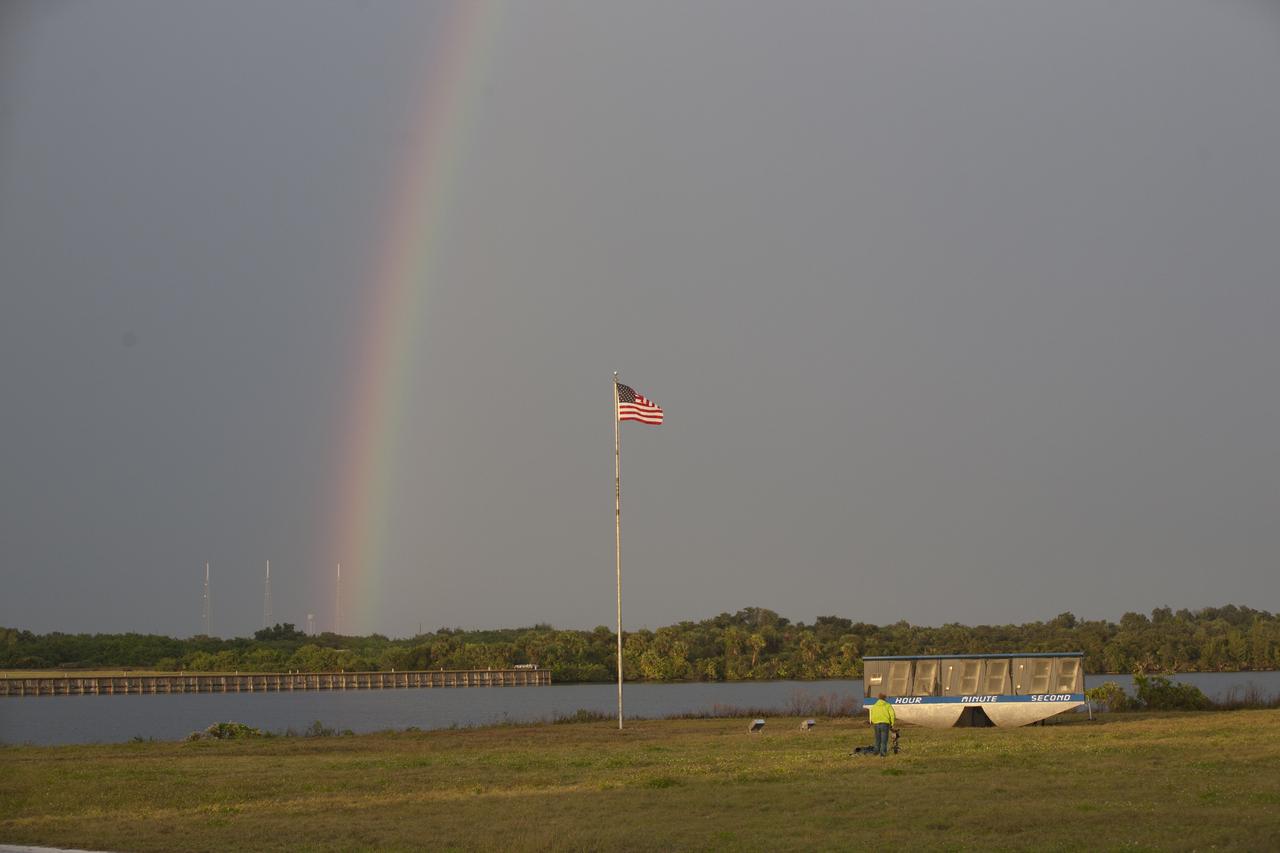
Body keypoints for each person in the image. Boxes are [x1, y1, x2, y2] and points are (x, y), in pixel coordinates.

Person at [868, 692, 896, 756]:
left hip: (876, 724)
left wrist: (874, 722)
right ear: (885, 698)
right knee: (884, 740)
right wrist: (892, 723)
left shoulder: (874, 706)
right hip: (885, 724)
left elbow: (872, 715)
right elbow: (892, 715)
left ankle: (876, 752)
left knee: (877, 739)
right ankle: (883, 753)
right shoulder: (888, 705)